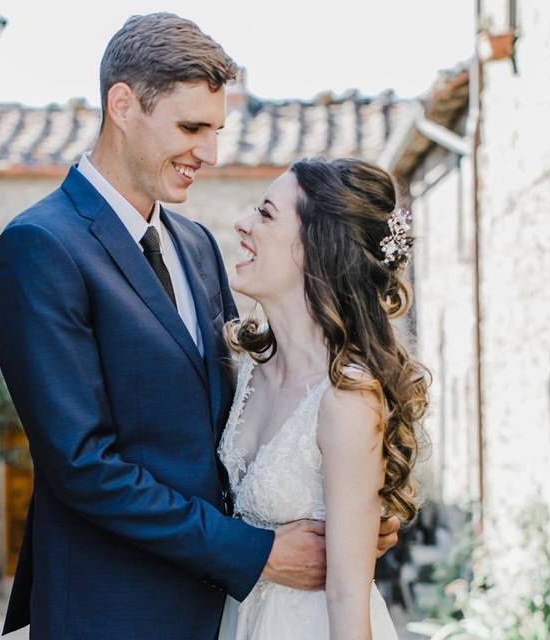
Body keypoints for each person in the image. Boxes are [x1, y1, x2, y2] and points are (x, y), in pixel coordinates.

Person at [0, 13, 401, 640]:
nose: (207, 152)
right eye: (190, 127)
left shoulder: (197, 246)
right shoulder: (41, 248)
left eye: (215, 131)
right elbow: (82, 465)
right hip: (114, 612)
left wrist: (348, 506)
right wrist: (255, 553)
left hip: (226, 616)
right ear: (122, 105)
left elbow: (235, 425)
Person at [217, 158, 429, 639]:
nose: (243, 224)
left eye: (266, 214)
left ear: (316, 247)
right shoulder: (248, 368)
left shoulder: (347, 399)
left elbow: (348, 593)